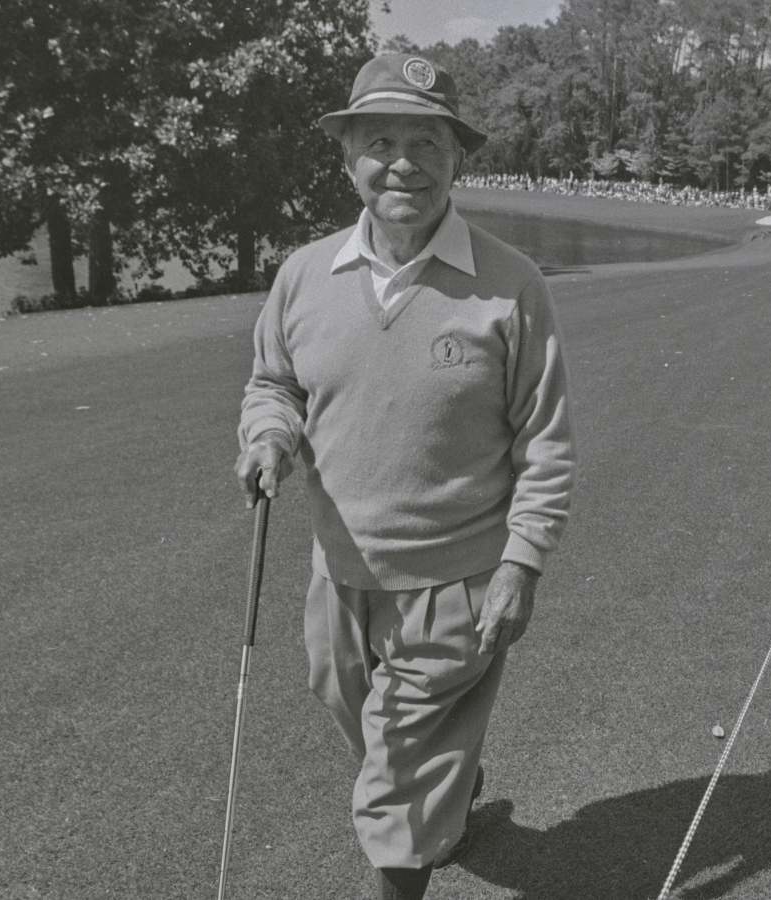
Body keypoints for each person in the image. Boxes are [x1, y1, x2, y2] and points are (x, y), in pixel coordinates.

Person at [234, 53, 575, 900]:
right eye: (380, 141)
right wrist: (269, 436)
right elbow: (275, 383)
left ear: (457, 158)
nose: (403, 164)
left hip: (456, 583)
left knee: (398, 778)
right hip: (338, 571)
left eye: (427, 142)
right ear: (347, 157)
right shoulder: (304, 274)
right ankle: (447, 788)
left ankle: (419, 821)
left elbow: (545, 437)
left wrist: (523, 563)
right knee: (353, 710)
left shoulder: (512, 285)